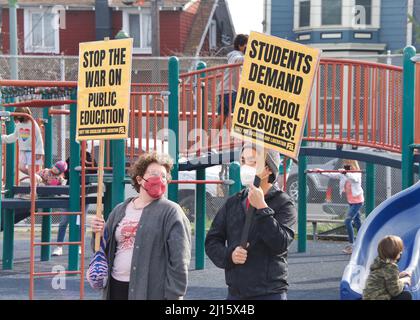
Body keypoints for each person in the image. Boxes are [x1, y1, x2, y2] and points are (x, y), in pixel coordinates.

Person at [91, 152, 191, 300]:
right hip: (115, 287)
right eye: (153, 174)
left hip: (150, 292)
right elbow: (100, 249)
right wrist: (97, 232)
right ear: (139, 179)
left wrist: (175, 294)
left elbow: (180, 259)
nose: (159, 179)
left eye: (163, 176)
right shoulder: (120, 209)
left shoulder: (171, 212)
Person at [205, 143, 297, 300]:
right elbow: (212, 241)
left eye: (252, 162)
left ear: (268, 169)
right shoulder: (233, 202)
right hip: (236, 292)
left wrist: (262, 207)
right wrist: (230, 255)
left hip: (269, 292)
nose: (245, 166)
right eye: (242, 161)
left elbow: (280, 243)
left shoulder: (284, 203)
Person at [208, 34, 248, 151]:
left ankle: (208, 146)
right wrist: (253, 55)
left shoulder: (239, 56)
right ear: (240, 45)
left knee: (221, 118)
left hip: (226, 90)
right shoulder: (235, 55)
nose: (250, 48)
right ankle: (236, 142)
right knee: (241, 115)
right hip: (230, 90)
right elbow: (237, 60)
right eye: (247, 44)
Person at [52, 151, 97, 256]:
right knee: (64, 220)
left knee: (81, 221)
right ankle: (59, 246)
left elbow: (95, 171)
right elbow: (66, 172)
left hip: (84, 191)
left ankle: (79, 246)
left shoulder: (89, 157)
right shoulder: (72, 157)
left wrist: (87, 169)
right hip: (71, 191)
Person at [317, 159, 364, 254]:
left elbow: (353, 178)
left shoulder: (357, 173)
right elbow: (333, 174)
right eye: (345, 165)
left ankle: (352, 245)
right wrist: (321, 171)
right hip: (351, 201)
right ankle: (361, 242)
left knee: (347, 221)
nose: (346, 166)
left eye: (348, 165)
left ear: (353, 166)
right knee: (357, 222)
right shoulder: (344, 173)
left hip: (358, 202)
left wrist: (345, 172)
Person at [363, 235, 412, 300]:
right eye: (400, 251)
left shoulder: (378, 262)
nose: (401, 252)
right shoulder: (391, 267)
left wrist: (398, 276)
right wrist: (403, 281)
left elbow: (385, 279)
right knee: (406, 295)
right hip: (379, 298)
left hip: (368, 297)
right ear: (395, 253)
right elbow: (395, 291)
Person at [1, 107, 44, 176]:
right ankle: (36, 177)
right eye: (17, 117)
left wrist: (39, 152)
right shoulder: (19, 125)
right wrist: (3, 138)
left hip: (33, 150)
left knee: (31, 170)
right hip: (23, 150)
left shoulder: (33, 123)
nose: (19, 119)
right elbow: (14, 136)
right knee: (21, 168)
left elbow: (39, 138)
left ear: (26, 115)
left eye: (20, 117)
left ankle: (33, 185)